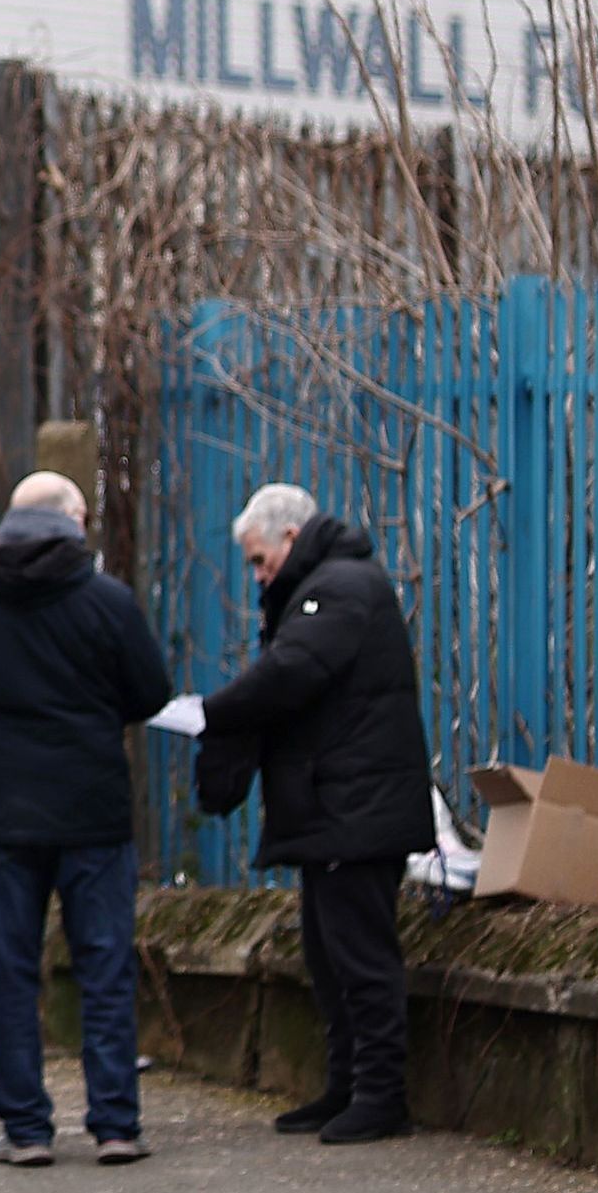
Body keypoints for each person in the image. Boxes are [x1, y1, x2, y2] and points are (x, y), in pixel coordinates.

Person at [0, 472, 175, 1166]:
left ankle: (27, 1127)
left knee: (9, 970)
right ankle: (116, 1122)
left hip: (4, 810)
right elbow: (148, 691)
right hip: (92, 806)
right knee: (104, 964)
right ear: (73, 520)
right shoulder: (105, 599)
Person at [182, 485, 439, 1144]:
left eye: (261, 560)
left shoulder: (340, 588)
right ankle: (347, 1086)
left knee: (360, 955)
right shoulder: (327, 587)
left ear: (291, 537)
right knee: (329, 956)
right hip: (339, 804)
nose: (259, 575)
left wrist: (214, 711)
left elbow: (294, 669)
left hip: (354, 805)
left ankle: (380, 1095)